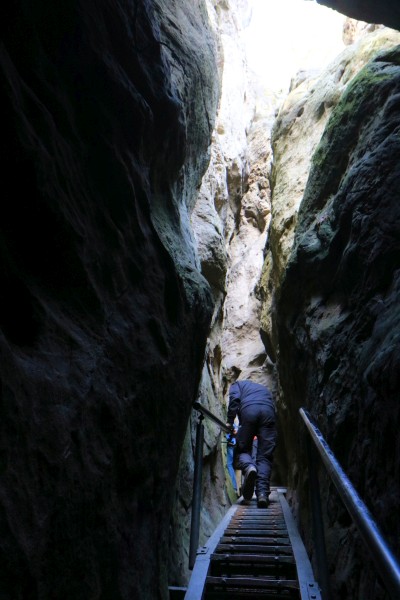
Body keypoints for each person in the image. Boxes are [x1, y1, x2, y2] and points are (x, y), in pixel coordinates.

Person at [226, 379, 277, 508]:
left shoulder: (236, 385)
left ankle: (249, 467)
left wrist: (230, 421)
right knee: (265, 456)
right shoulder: (263, 389)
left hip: (249, 411)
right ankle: (262, 495)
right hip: (268, 412)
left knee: (243, 450)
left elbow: (234, 399)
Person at [225, 422, 239, 495]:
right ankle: (235, 488)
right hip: (236, 444)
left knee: (229, 464)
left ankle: (234, 487)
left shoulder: (231, 420)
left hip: (231, 444)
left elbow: (234, 430)